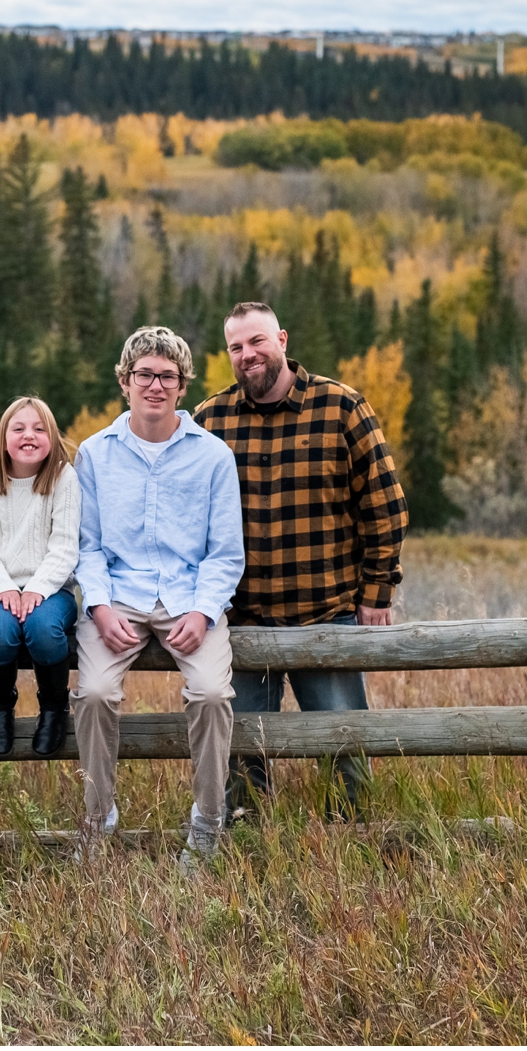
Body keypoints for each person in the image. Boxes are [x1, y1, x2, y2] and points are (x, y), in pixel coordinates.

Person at [195, 301, 408, 820]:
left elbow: (384, 505)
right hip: (241, 619)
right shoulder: (209, 419)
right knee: (243, 751)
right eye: (236, 347)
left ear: (282, 340)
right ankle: (247, 839)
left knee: (344, 744)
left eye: (257, 342)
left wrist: (377, 593)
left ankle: (354, 838)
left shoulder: (341, 406)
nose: (248, 355)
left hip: (325, 614)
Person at [72, 326, 245, 866]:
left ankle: (207, 825)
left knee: (212, 695)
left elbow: (225, 553)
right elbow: (87, 546)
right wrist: (98, 607)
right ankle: (99, 822)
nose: (155, 385)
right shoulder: (94, 454)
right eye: (144, 375)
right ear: (125, 382)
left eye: (166, 376)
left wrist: (204, 610)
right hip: (118, 596)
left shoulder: (214, 457)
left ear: (182, 385)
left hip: (190, 598)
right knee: (96, 692)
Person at [0, 396, 81, 759]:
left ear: (53, 438)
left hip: (51, 588)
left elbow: (65, 547)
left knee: (44, 629)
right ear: (2, 437)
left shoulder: (64, 478)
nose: (28, 436)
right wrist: (3, 587)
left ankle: (53, 707)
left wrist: (36, 589)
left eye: (39, 429)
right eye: (18, 429)